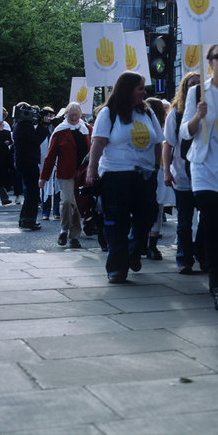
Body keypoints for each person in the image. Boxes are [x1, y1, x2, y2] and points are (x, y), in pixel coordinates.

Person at [180, 44, 218, 310]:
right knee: (213, 223)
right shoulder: (198, 92)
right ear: (210, 62)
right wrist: (197, 116)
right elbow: (185, 132)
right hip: (205, 170)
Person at [86, 72, 163, 283]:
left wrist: (156, 167)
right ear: (127, 89)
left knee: (147, 217)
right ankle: (117, 269)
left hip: (144, 176)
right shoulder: (109, 113)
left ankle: (133, 251)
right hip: (116, 176)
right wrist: (92, 170)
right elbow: (98, 143)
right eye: (140, 88)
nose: (144, 92)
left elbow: (158, 142)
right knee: (116, 222)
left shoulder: (147, 113)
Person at [163, 72, 204, 274]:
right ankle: (184, 259)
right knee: (185, 221)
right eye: (191, 84)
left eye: (199, 84)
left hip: (205, 176)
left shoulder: (210, 109)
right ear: (184, 89)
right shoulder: (176, 114)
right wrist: (166, 171)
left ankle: (203, 255)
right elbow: (168, 144)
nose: (195, 88)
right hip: (183, 174)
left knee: (207, 221)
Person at [39, 102, 91, 249]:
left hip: (83, 173)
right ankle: (64, 229)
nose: (74, 117)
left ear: (80, 114)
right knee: (68, 201)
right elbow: (50, 156)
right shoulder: (59, 131)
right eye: (71, 115)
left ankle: (74, 236)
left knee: (79, 205)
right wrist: (43, 177)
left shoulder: (86, 129)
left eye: (76, 115)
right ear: (66, 115)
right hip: (65, 173)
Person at [12, 103, 49, 229]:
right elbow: (36, 140)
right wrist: (43, 126)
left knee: (30, 191)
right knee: (33, 192)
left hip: (24, 161)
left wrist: (40, 124)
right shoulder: (24, 126)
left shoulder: (18, 124)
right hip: (28, 162)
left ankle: (25, 219)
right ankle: (29, 220)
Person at [145, 97, 170, 260]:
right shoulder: (144, 125)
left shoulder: (164, 126)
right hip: (150, 169)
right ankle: (147, 243)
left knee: (157, 208)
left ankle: (151, 244)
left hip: (158, 169)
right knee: (152, 209)